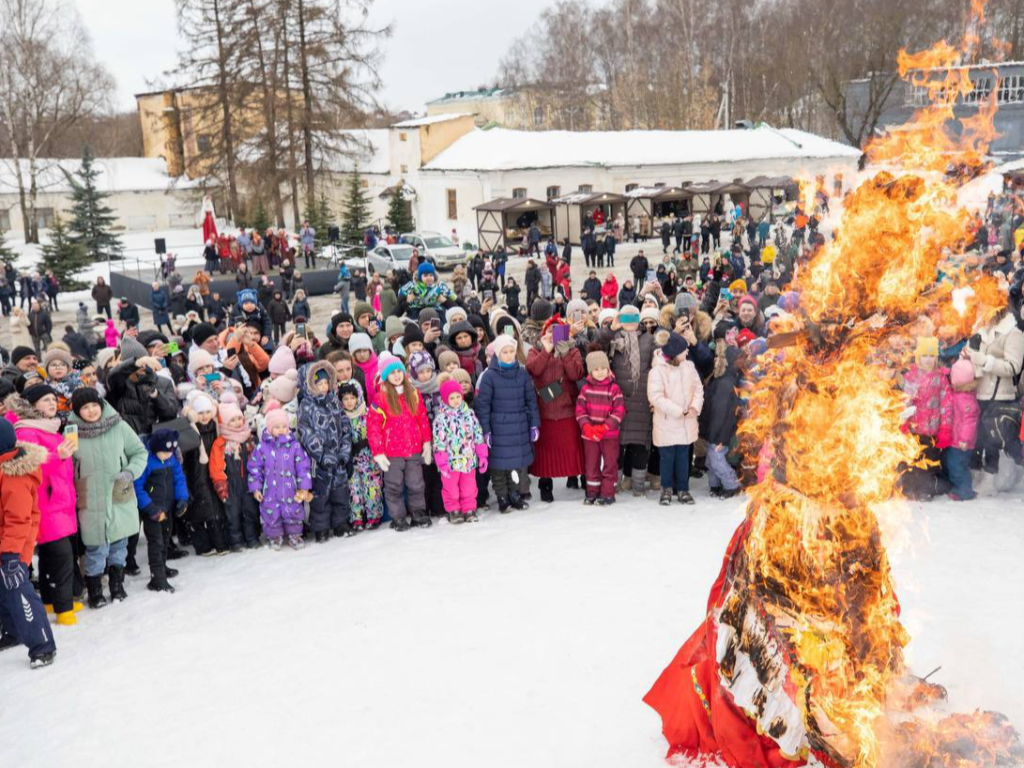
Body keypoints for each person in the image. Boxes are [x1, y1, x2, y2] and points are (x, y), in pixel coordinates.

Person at [68, 388, 148, 607]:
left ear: (101, 405)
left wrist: (130, 472)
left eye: (94, 405)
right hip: (90, 496)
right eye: (85, 407)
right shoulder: (71, 432)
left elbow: (139, 453)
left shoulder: (119, 426)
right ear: (78, 411)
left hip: (118, 491)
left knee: (119, 544)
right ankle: (94, 590)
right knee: (95, 548)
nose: (91, 410)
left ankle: (116, 584)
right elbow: (66, 463)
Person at [6, 387, 79, 625]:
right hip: (45, 502)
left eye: (53, 399)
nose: (52, 403)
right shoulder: (27, 430)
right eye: (46, 400)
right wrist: (57, 455)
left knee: (51, 555)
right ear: (32, 404)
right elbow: (30, 464)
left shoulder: (49, 426)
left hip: (60, 499)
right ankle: (63, 608)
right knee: (61, 557)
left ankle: (50, 600)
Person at [0, 418, 56, 668]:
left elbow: (19, 520)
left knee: (18, 592)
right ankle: (12, 632)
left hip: (12, 547)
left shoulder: (13, 476)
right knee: (3, 594)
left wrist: (11, 556)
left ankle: (42, 645)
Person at [367, 353, 432, 531]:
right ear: (385, 376)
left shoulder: (413, 394)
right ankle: (398, 517)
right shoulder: (381, 398)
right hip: (392, 453)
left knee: (416, 484)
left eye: (399, 371)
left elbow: (422, 419)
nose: (396, 375)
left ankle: (418, 512)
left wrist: (427, 443)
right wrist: (378, 452)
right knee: (394, 486)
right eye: (392, 372)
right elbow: (373, 427)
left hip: (413, 450)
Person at [475, 334, 539, 512]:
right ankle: (502, 496)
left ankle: (515, 494)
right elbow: (483, 406)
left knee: (515, 466)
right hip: (498, 428)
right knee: (499, 467)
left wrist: (534, 424)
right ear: (497, 353)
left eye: (512, 351)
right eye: (505, 352)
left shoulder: (522, 374)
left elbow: (531, 401)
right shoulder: (489, 377)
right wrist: (486, 431)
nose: (509, 355)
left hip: (518, 427)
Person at [527, 317, 585, 503]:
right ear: (544, 334)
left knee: (574, 449)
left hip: (567, 409)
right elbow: (534, 370)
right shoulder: (535, 351)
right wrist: (546, 351)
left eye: (558, 331)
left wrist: (565, 352)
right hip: (544, 410)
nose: (553, 335)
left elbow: (576, 374)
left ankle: (580, 478)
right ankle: (545, 486)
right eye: (550, 331)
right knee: (545, 453)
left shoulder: (573, 350)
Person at [297, 361, 353, 541]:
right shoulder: (306, 405)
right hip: (319, 461)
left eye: (325, 383)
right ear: (309, 385)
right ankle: (321, 527)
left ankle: (340, 523)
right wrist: (321, 454)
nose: (323, 387)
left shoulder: (334, 400)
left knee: (340, 493)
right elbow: (306, 432)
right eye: (319, 384)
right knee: (320, 497)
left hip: (338, 458)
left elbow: (344, 425)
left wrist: (344, 451)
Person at [247, 403, 313, 551]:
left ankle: (295, 534)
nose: (281, 430)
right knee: (271, 513)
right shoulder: (262, 448)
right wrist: (256, 488)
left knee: (294, 510)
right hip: (270, 490)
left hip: (291, 489)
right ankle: (274, 536)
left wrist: (303, 486)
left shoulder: (295, 446)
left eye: (284, 426)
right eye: (277, 427)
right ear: (270, 429)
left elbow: (303, 466)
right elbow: (254, 468)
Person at [648, 332, 703, 505]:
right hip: (667, 422)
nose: (686, 353)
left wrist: (694, 407)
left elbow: (698, 388)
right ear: (673, 352)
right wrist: (678, 411)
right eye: (683, 350)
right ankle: (666, 488)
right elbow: (655, 397)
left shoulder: (689, 367)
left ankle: (683, 488)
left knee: (683, 457)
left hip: (687, 421)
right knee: (667, 458)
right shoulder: (658, 371)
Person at [134, 428, 188, 593]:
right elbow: (137, 487)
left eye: (171, 452)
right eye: (164, 452)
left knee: (165, 539)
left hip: (167, 509)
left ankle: (162, 567)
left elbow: (179, 479)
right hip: (152, 510)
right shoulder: (146, 462)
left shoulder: (172, 460)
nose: (168, 455)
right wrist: (149, 508)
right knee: (156, 543)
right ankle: (157, 578)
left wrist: (182, 499)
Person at [432, 374, 488, 524]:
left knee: (469, 486)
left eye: (458, 396)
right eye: (452, 398)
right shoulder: (441, 418)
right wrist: (441, 460)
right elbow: (439, 440)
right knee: (451, 488)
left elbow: (477, 433)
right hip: (450, 463)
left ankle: (469, 508)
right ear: (445, 399)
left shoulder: (469, 414)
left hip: (468, 459)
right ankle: (454, 510)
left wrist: (482, 454)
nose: (456, 400)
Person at [209, 394, 260, 551]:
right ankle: (236, 541)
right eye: (232, 420)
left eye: (239, 418)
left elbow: (258, 460)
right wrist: (221, 486)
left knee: (250, 511)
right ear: (224, 422)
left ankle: (252, 538)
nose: (237, 423)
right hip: (230, 484)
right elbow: (216, 467)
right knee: (233, 514)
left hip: (248, 483)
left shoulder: (249, 438)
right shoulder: (220, 443)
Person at [576, 351, 625, 506]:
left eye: (603, 368)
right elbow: (580, 410)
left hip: (609, 434)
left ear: (608, 369)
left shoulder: (614, 388)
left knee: (610, 463)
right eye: (596, 369)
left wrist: (605, 426)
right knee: (591, 464)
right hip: (590, 435)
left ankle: (607, 493)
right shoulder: (585, 389)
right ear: (590, 371)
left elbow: (619, 411)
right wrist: (586, 426)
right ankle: (592, 492)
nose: (600, 372)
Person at [340, 382, 384, 531]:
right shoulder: (341, 418)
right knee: (354, 489)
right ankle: (357, 517)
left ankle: (373, 514)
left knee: (371, 486)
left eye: (352, 398)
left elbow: (375, 432)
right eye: (345, 399)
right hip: (352, 461)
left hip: (368, 458)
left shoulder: (366, 414)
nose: (349, 402)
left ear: (358, 398)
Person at [947, 358, 979, 501]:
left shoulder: (965, 399)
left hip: (961, 443)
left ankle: (964, 491)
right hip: (955, 440)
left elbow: (969, 422)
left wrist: (964, 440)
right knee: (954, 465)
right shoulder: (960, 395)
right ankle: (959, 487)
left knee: (957, 466)